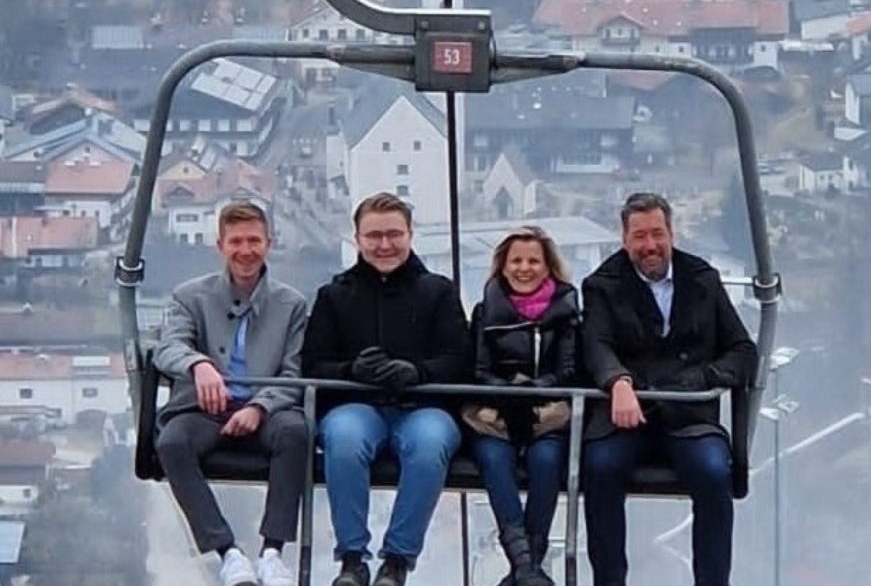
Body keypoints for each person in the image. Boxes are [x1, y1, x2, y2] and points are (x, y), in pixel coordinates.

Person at [580, 192, 758, 586]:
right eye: (640, 236)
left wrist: (705, 378)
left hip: (688, 415)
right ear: (624, 240)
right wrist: (617, 381)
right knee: (600, 469)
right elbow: (596, 344)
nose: (650, 247)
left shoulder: (702, 280)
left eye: (657, 234)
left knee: (713, 474)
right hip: (629, 417)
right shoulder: (602, 286)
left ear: (672, 234)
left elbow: (743, 350)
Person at [301, 192, 469, 586]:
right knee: (344, 439)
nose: (384, 245)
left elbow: (459, 358)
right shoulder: (335, 295)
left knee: (430, 446)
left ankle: (397, 558)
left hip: (422, 405)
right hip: (358, 404)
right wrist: (351, 371)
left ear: (411, 235)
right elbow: (313, 363)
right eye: (374, 236)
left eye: (394, 234)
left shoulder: (438, 292)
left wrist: (417, 372)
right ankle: (352, 556)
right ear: (358, 239)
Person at [154, 201, 309, 586]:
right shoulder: (190, 297)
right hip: (207, 407)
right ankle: (227, 552)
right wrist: (199, 365)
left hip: (267, 409)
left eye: (254, 240)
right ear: (220, 246)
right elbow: (167, 347)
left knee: (296, 433)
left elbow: (295, 370)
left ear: (268, 244)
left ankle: (272, 551)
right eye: (236, 241)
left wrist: (259, 406)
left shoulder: (291, 305)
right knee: (172, 443)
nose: (246, 250)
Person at [464, 226, 581, 586]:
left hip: (547, 414)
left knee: (546, 460)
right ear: (502, 266)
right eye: (516, 260)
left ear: (549, 267)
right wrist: (509, 395)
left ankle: (527, 566)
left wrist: (532, 391)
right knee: (494, 459)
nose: (524, 268)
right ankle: (525, 566)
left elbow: (567, 371)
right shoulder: (487, 311)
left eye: (533, 261)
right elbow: (479, 371)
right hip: (495, 416)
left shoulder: (565, 312)